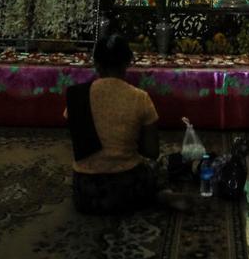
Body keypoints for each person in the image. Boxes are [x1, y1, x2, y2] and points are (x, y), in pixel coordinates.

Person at [65, 34, 182, 214]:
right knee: (160, 165)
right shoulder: (139, 98)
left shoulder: (77, 96)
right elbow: (152, 151)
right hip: (127, 189)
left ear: (96, 63)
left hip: (86, 193)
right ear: (127, 62)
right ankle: (161, 194)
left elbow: (76, 140)